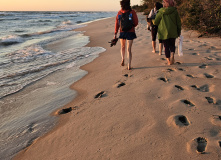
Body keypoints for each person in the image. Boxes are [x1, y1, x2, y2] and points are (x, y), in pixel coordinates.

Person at [154, 0, 181, 65]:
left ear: (165, 4)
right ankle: (172, 53)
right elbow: (178, 22)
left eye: (163, 2)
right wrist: (178, 31)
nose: (163, 3)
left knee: (166, 46)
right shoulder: (175, 11)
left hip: (163, 32)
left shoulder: (160, 12)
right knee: (172, 45)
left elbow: (156, 22)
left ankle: (169, 61)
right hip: (173, 31)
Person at [114, 0, 138, 70]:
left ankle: (122, 59)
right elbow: (136, 22)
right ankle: (129, 65)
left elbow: (117, 24)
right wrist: (132, 25)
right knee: (129, 49)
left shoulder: (119, 12)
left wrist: (115, 33)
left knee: (122, 46)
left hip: (122, 32)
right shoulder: (132, 12)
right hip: (130, 32)